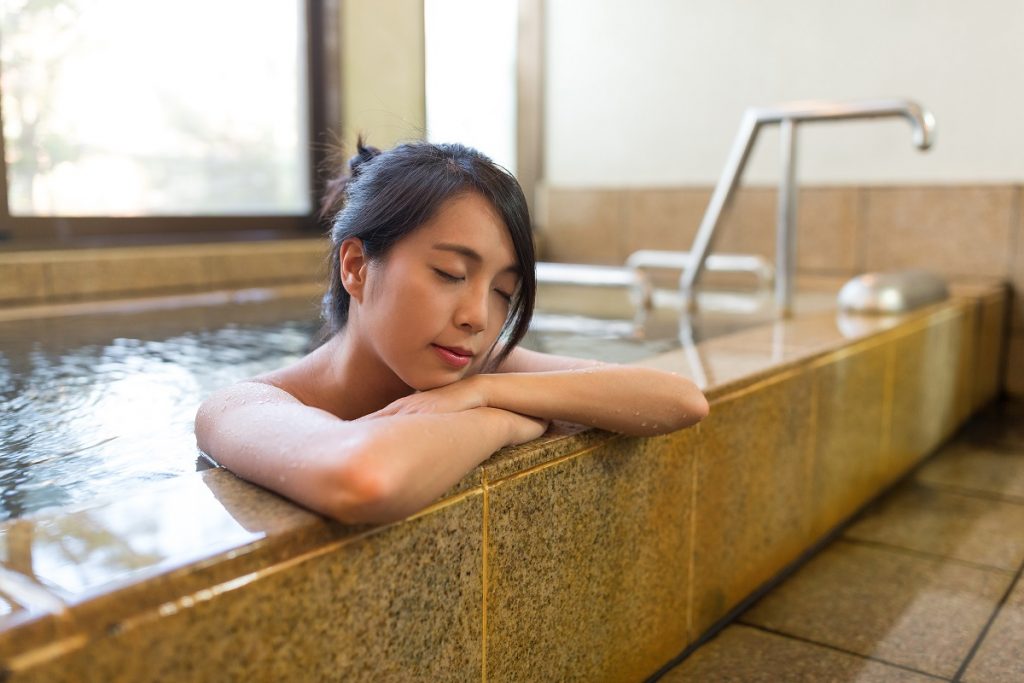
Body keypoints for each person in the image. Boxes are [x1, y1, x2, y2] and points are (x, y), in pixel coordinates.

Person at [195, 140, 708, 525]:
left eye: (502, 292)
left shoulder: (476, 370)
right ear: (355, 268)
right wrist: (503, 421)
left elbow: (681, 400)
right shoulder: (242, 406)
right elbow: (363, 478)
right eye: (450, 274)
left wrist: (487, 388)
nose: (478, 318)